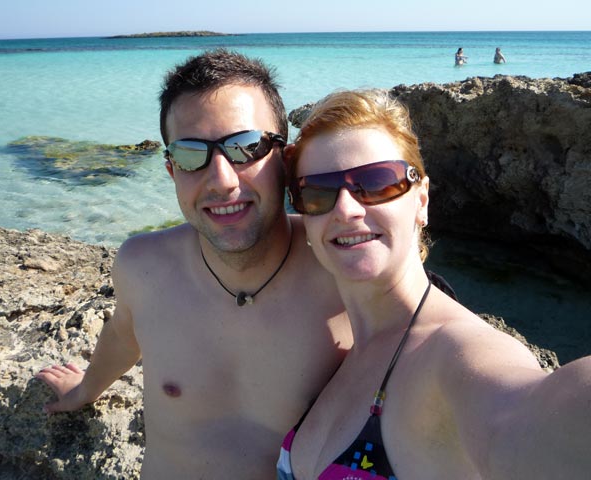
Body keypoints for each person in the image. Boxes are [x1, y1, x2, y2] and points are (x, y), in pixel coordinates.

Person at [36, 49, 352, 479]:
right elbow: (125, 333)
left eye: (245, 147)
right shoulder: (144, 267)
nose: (221, 180)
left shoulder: (341, 274)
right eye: (190, 155)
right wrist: (85, 389)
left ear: (286, 159)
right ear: (171, 171)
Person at [277, 89, 591, 479]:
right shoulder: (338, 351)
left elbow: (528, 419)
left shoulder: (456, 353)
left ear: (421, 200)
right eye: (318, 194)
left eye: (376, 182)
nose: (345, 209)